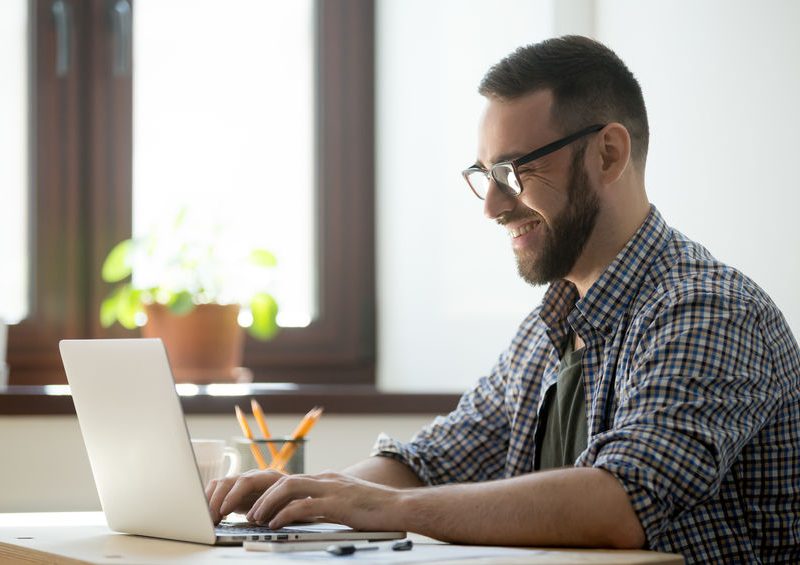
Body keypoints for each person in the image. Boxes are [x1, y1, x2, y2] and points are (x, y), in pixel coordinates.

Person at [206, 36, 800, 563]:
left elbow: (621, 502)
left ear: (608, 154)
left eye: (515, 171)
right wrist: (308, 498)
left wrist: (382, 508)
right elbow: (432, 463)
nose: (491, 206)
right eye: (484, 174)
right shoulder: (551, 325)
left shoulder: (709, 310)